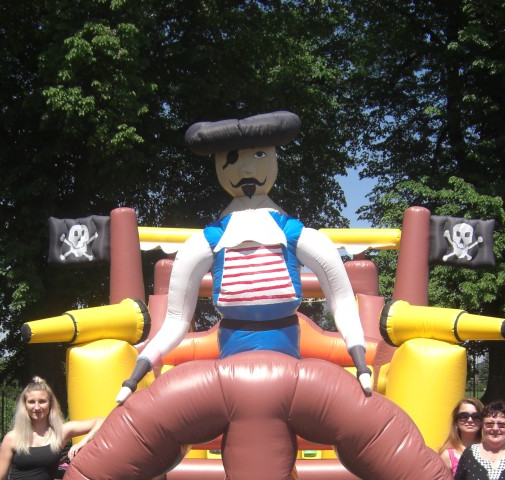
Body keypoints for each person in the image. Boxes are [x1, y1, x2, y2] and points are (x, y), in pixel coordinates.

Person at [116, 111, 371, 403]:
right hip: (232, 358)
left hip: (285, 355)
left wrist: (359, 357)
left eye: (259, 154)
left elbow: (342, 303)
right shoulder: (209, 240)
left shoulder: (293, 234)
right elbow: (175, 320)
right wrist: (139, 369)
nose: (247, 168)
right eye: (233, 157)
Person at [440, 397, 484, 474]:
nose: (470, 420)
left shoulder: (491, 450)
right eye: (464, 416)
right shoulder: (447, 456)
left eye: (476, 416)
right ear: (456, 421)